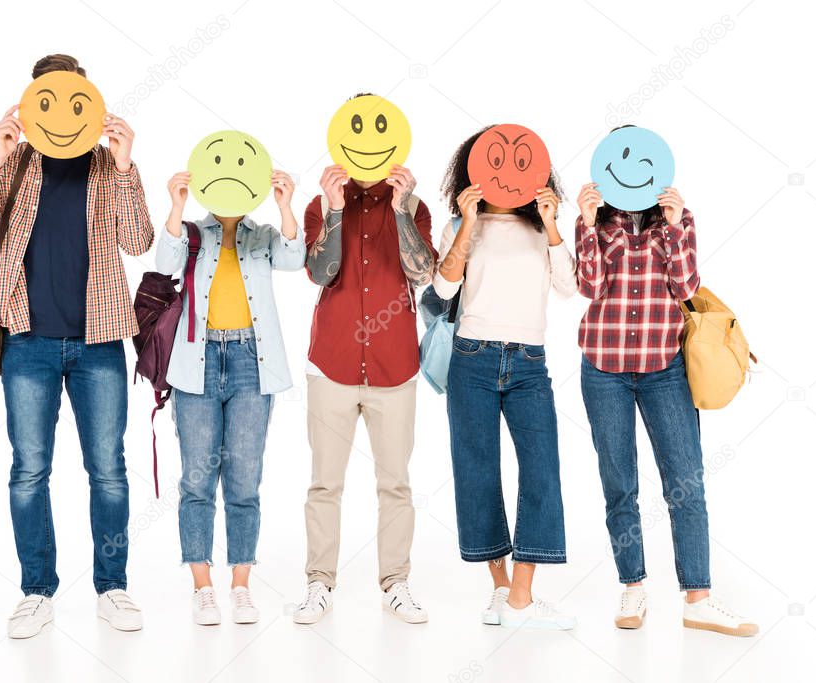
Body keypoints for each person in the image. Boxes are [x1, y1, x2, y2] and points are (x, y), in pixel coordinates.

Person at [0, 54, 153, 638]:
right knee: (28, 472)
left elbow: (139, 240)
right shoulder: (14, 164)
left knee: (109, 472)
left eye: (73, 100)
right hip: (28, 343)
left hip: (98, 345)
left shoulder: (104, 166)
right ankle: (37, 591)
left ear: (88, 103)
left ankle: (112, 586)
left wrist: (124, 164)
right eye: (48, 100)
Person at [575, 164, 758, 637]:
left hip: (664, 369)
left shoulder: (679, 219)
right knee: (620, 483)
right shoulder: (595, 220)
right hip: (604, 370)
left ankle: (697, 598)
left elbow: (687, 287)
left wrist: (675, 228)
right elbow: (589, 288)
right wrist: (586, 220)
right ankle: (633, 586)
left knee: (686, 482)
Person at [294, 96, 437, 625]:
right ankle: (318, 584)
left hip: (394, 367)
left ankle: (395, 583)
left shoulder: (413, 207)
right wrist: (334, 210)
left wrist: (402, 212)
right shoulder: (320, 204)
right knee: (324, 483)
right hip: (331, 365)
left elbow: (422, 272)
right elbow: (320, 273)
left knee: (395, 482)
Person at [434, 128, 578, 629]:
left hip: (529, 362)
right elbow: (443, 283)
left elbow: (568, 287)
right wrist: (468, 223)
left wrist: (553, 223)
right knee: (477, 469)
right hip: (471, 357)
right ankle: (499, 589)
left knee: (542, 470)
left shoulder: (543, 226)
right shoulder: (461, 222)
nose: (507, 169)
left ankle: (522, 595)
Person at [155, 164, 305, 626]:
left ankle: (240, 586)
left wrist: (284, 206)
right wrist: (176, 207)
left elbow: (294, 258)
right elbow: (163, 266)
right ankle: (203, 587)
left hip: (250, 363)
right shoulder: (193, 233)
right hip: (196, 363)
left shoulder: (260, 236)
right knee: (196, 480)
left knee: (244, 478)